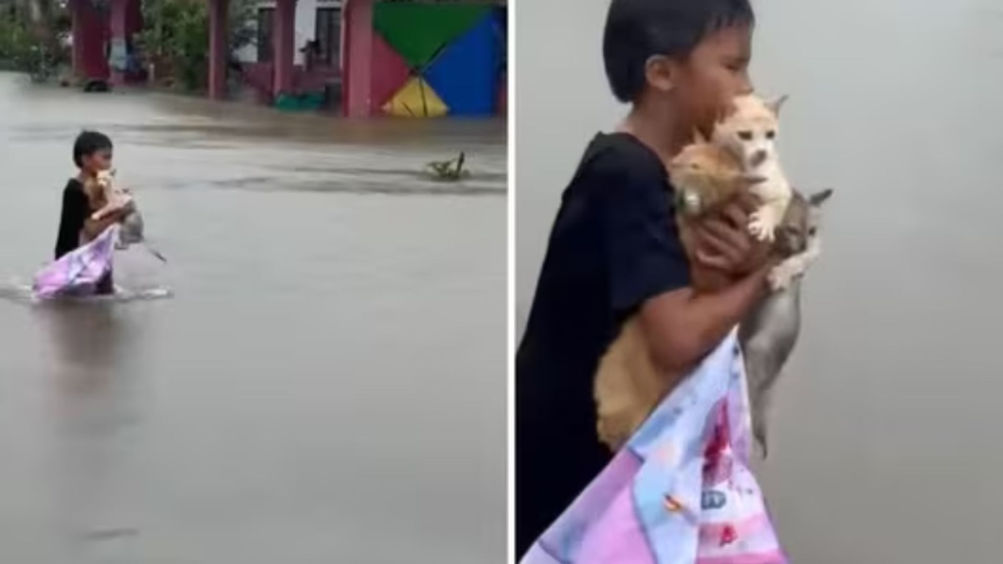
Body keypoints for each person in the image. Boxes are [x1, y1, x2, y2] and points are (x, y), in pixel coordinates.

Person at [515, 0, 778, 556]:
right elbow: (677, 337)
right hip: (571, 489)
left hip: (606, 479)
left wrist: (744, 265)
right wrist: (765, 273)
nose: (748, 87)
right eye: (732, 67)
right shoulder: (626, 177)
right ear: (661, 74)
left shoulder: (670, 176)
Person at [55, 130, 126, 295]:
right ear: (86, 159)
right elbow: (91, 229)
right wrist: (119, 213)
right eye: (105, 157)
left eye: (110, 158)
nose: (109, 164)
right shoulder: (75, 190)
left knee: (102, 306)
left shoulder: (100, 186)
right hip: (76, 264)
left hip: (95, 259)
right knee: (82, 312)